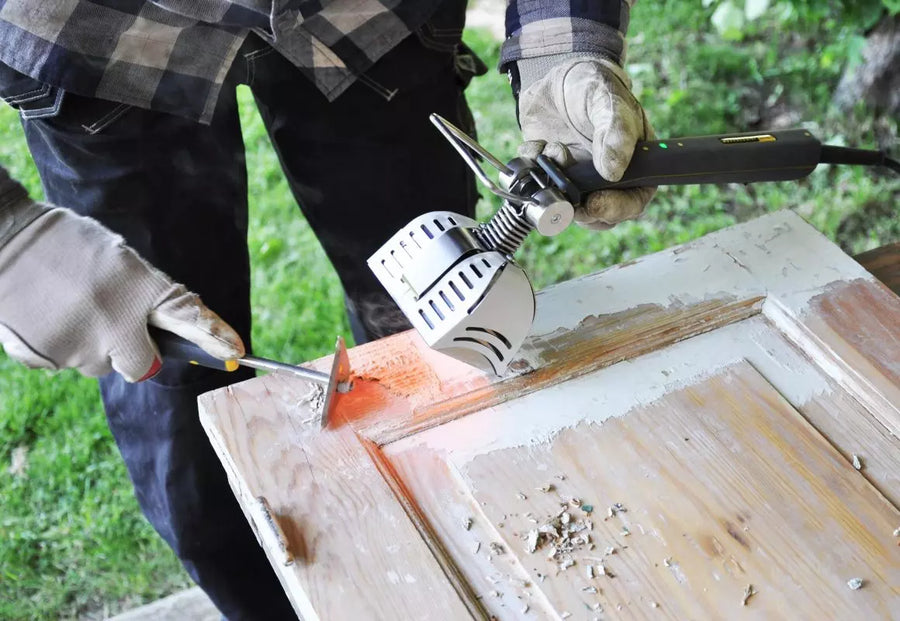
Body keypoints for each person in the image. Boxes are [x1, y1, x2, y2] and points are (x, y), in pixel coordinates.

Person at [0, 0, 654, 618]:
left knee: (439, 367)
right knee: (185, 426)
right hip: (99, 36)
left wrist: (563, 41)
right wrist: (8, 236)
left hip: (367, 20)